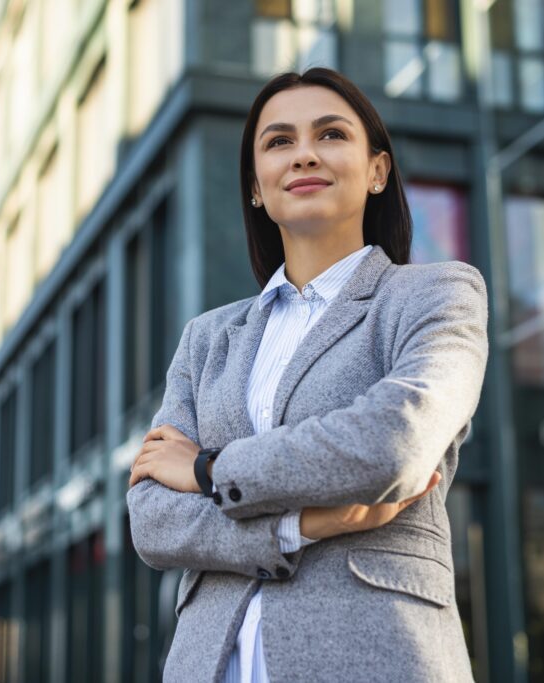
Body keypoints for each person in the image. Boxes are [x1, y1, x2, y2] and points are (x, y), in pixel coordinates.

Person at [126, 67, 488, 682]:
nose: (305, 155)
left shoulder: (436, 294)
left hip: (376, 658)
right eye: (279, 141)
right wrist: (300, 525)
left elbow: (392, 445)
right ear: (256, 189)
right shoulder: (207, 338)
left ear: (377, 171)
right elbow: (153, 521)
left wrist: (208, 469)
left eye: (331, 134)